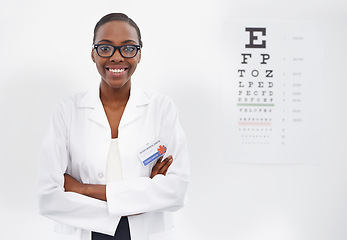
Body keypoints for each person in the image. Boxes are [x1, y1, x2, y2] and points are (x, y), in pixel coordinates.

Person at [37, 13, 190, 240]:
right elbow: (48, 197)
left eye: (128, 48)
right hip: (83, 233)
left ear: (139, 54)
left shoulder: (161, 109)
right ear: (93, 53)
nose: (117, 57)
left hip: (146, 232)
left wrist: (83, 189)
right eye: (106, 48)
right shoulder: (67, 110)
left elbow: (176, 191)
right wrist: (140, 197)